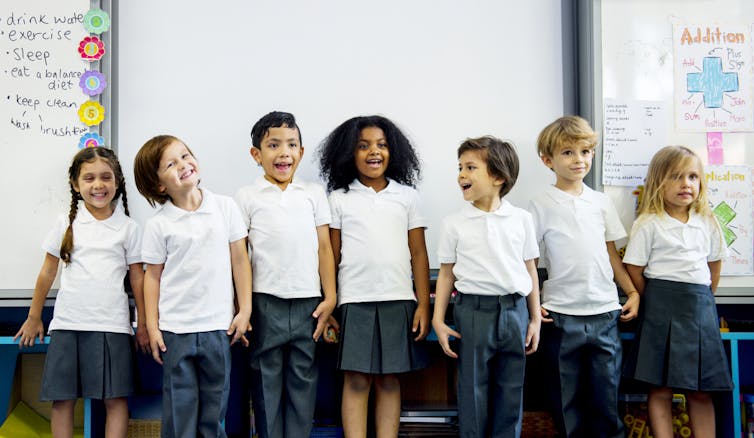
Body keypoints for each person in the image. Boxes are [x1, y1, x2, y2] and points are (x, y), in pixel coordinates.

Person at [14, 146, 147, 438]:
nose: (98, 185)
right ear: (76, 185)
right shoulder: (66, 224)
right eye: (88, 178)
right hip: (68, 325)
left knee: (116, 399)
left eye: (106, 177)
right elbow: (48, 271)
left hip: (112, 326)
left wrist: (145, 325)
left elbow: (138, 279)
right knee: (62, 399)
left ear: (117, 182)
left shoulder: (129, 228)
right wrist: (34, 316)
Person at [318, 115, 431, 438]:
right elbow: (332, 255)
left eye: (381, 145)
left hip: (398, 300)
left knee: (389, 378)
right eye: (363, 146)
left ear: (393, 151)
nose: (374, 152)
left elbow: (419, 254)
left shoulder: (407, 197)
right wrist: (330, 303)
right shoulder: (339, 198)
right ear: (347, 153)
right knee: (356, 378)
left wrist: (423, 304)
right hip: (354, 302)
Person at [528, 115, 640, 437]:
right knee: (566, 399)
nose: (578, 160)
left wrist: (631, 292)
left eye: (585, 151)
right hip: (561, 315)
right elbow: (530, 262)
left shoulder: (601, 202)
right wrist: (533, 306)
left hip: (605, 312)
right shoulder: (539, 205)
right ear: (547, 160)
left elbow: (611, 256)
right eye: (567, 153)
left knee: (606, 397)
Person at [133, 135, 252, 438]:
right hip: (176, 330)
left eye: (185, 156)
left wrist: (245, 309)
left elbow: (240, 261)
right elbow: (152, 277)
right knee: (180, 410)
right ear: (160, 185)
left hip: (217, 328)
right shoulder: (159, 224)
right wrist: (152, 325)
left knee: (214, 410)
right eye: (171, 164)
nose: (183, 165)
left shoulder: (225, 207)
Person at [234, 111, 337, 438]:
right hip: (265, 302)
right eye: (274, 145)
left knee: (303, 379)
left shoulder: (313, 193)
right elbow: (240, 257)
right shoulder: (246, 197)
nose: (284, 152)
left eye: (292, 144)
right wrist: (245, 306)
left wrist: (330, 296)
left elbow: (324, 247)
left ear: (301, 152)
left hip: (308, 302)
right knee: (265, 379)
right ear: (256, 154)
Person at [432, 136, 541, 437]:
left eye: (470, 168)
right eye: (460, 168)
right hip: (473, 311)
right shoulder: (454, 222)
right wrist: (438, 320)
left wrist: (534, 320)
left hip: (514, 311)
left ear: (498, 177)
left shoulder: (521, 219)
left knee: (511, 389)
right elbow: (445, 274)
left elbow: (529, 268)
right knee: (472, 390)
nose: (461, 175)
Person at [623, 145, 732, 438]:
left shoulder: (707, 221)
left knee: (701, 388)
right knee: (660, 387)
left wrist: (703, 299)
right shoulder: (648, 223)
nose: (686, 184)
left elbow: (714, 267)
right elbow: (634, 267)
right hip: (659, 308)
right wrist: (654, 298)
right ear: (659, 182)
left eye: (693, 177)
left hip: (699, 309)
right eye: (676, 176)